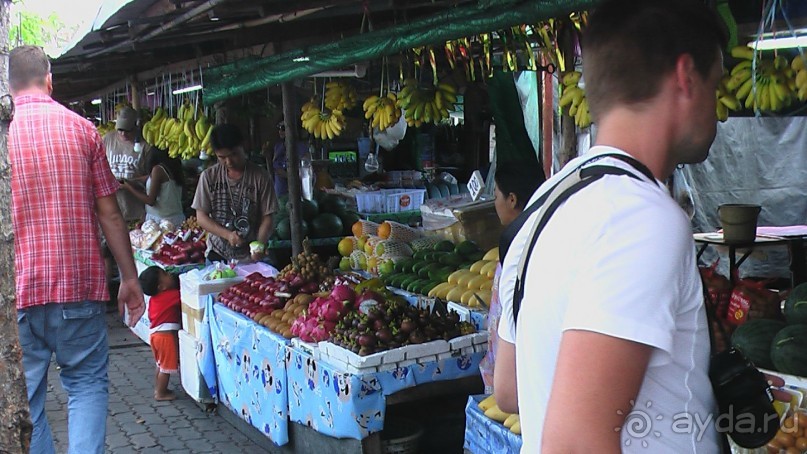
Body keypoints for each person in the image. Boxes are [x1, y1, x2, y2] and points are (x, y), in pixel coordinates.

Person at [500, 1, 728, 452]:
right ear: (686, 77)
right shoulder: (642, 218)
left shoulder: (546, 202)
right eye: (715, 85)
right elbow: (575, 444)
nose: (717, 112)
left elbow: (509, 388)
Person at [9, 45, 145, 454]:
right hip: (79, 287)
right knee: (86, 385)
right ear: (49, 81)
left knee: (28, 402)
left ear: (8, 86)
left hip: (18, 291)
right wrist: (130, 278)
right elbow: (110, 213)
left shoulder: (3, 134)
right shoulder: (83, 131)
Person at [479, 162, 542, 392]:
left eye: (496, 196)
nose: (494, 203)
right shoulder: (542, 233)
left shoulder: (515, 245)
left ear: (512, 199)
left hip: (516, 374)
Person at [193, 124, 277, 262]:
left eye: (234, 154)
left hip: (250, 256)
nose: (229, 162)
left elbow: (268, 217)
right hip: (217, 254)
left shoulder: (260, 177)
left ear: (243, 146)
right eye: (222, 157)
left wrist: (259, 244)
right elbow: (201, 217)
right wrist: (227, 235)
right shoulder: (208, 177)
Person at [138, 266, 181, 401]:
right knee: (166, 367)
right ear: (161, 287)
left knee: (160, 365)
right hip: (165, 337)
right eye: (165, 274)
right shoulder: (170, 296)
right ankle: (161, 393)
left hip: (155, 335)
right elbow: (185, 296)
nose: (170, 274)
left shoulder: (154, 299)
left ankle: (158, 388)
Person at [104, 106, 151, 225]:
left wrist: (130, 183)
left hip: (136, 210)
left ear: (135, 127)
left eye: (127, 130)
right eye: (120, 130)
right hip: (113, 209)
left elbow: (152, 175)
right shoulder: (108, 139)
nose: (123, 134)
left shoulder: (144, 144)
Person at [120, 147, 186, 226]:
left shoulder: (158, 170)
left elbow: (150, 201)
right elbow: (145, 179)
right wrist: (128, 181)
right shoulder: (173, 168)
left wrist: (128, 187)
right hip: (175, 217)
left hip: (162, 221)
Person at [270, 120, 309, 197]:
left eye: (283, 128)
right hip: (280, 191)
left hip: (297, 191)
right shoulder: (278, 147)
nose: (280, 131)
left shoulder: (301, 147)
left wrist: (287, 176)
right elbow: (275, 168)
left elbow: (306, 170)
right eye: (279, 128)